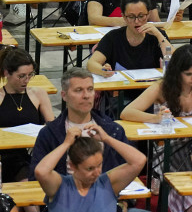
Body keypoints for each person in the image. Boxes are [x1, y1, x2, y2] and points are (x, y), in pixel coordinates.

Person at [34, 115, 147, 212]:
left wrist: (107, 138)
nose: (97, 172)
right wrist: (66, 144)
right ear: (72, 166)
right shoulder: (60, 186)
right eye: (90, 168)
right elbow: (41, 171)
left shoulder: (108, 183)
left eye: (99, 165)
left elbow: (139, 161)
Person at [31, 69, 133, 174]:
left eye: (90, 89)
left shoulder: (113, 130)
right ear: (64, 95)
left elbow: (132, 167)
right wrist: (65, 145)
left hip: (104, 188)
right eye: (78, 90)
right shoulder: (49, 133)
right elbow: (36, 176)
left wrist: (107, 139)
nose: (86, 95)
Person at [84, 0, 166, 75]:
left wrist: (159, 35)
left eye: (141, 16)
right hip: (121, 87)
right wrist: (103, 70)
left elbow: (175, 62)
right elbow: (92, 63)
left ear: (148, 14)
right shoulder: (113, 37)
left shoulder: (158, 36)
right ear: (123, 17)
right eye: (131, 17)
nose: (137, 21)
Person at [0, 48, 54, 182]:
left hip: (29, 155)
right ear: (7, 73)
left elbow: (53, 127)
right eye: (21, 76)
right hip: (4, 157)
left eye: (30, 75)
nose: (26, 80)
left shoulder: (38, 94)